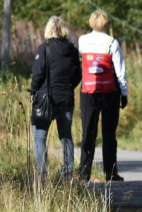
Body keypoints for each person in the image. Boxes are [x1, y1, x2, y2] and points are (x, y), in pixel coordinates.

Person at [78, 10, 129, 182]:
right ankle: (111, 172)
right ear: (106, 24)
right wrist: (124, 93)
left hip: (88, 92)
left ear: (91, 22)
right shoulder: (111, 42)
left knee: (88, 133)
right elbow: (120, 71)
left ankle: (84, 172)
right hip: (109, 92)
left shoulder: (82, 41)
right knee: (109, 134)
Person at [30, 15, 81, 182]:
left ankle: (42, 176)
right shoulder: (72, 50)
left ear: (49, 30)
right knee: (66, 137)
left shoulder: (45, 49)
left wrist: (34, 91)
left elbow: (37, 74)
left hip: (46, 100)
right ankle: (67, 176)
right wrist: (69, 87)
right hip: (66, 99)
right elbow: (78, 75)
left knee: (40, 137)